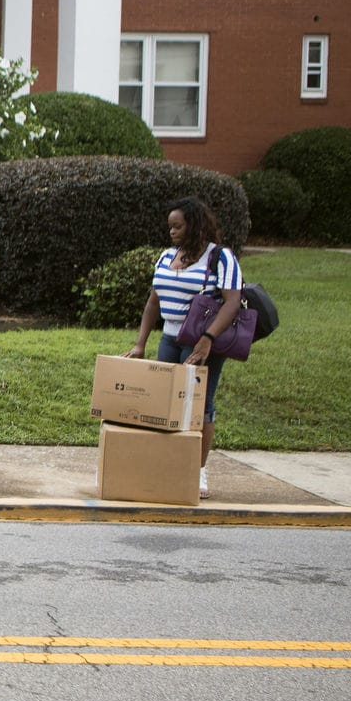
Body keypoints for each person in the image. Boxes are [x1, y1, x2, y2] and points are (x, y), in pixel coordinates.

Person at [125, 197, 243, 499]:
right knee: (165, 405)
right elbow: (154, 301)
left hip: (203, 343)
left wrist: (208, 339)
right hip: (169, 338)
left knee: (200, 407)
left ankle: (198, 470)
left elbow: (232, 302)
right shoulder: (167, 257)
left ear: (195, 225)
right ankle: (169, 466)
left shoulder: (220, 257)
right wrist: (141, 344)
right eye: (170, 227)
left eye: (178, 226)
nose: (172, 232)